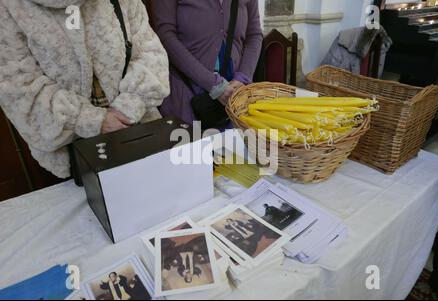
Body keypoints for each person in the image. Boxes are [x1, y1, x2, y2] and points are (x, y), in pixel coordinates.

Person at [0, 0, 170, 179]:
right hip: (74, 158)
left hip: (141, 133)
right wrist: (91, 120)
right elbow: (18, 88)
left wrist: (129, 106)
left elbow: (149, 51)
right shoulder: (10, 7)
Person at [150, 0, 263, 125]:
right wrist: (214, 85)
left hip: (235, 98)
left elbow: (254, 35)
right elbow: (165, 35)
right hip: (186, 95)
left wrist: (243, 78)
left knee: (234, 143)